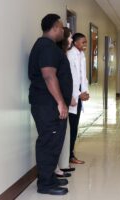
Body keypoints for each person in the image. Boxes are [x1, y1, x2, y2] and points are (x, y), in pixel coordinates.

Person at [28, 14, 72, 195]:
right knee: (48, 142)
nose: (63, 30)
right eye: (62, 28)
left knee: (54, 142)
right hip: (48, 105)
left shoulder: (49, 47)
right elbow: (48, 75)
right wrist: (61, 102)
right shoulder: (47, 47)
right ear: (54, 27)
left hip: (49, 104)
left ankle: (50, 177)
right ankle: (45, 184)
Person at [54, 27, 76, 178]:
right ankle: (55, 169)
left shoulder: (63, 54)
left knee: (64, 134)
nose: (71, 41)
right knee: (55, 137)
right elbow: (53, 79)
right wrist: (62, 101)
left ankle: (62, 165)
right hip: (58, 103)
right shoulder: (57, 55)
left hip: (64, 102)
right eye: (69, 38)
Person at [67, 33, 89, 164]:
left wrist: (85, 92)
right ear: (75, 42)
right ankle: (69, 155)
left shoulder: (81, 55)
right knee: (71, 127)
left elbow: (83, 77)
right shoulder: (70, 55)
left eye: (86, 42)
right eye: (83, 42)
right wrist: (78, 93)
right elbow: (71, 78)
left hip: (79, 94)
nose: (85, 45)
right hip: (72, 96)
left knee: (74, 127)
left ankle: (70, 154)